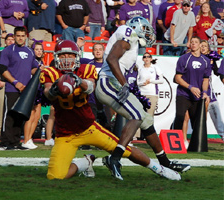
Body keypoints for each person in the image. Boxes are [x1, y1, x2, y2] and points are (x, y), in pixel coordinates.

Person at [40, 39, 181, 181]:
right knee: (55, 176)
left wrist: (78, 81)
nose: (66, 59)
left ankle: (160, 169)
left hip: (88, 128)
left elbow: (90, 86)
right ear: (56, 57)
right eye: (63, 56)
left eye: (69, 55)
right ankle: (85, 163)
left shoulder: (85, 69)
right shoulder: (50, 73)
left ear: (76, 56)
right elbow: (47, 91)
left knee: (125, 150)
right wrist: (56, 88)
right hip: (65, 135)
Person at [95, 16, 190, 180]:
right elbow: (111, 59)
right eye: (145, 29)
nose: (147, 33)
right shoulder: (128, 33)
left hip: (113, 83)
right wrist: (124, 84)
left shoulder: (132, 40)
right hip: (109, 82)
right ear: (135, 27)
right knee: (137, 116)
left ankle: (165, 162)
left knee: (146, 119)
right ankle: (115, 158)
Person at [0, 26, 39, 151]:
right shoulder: (8, 51)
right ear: (14, 37)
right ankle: (5, 143)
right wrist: (15, 82)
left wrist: (40, 71)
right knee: (9, 115)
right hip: (12, 88)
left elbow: (33, 68)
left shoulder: (30, 51)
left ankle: (15, 142)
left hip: (25, 90)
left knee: (19, 116)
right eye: (18, 36)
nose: (20, 38)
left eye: (22, 36)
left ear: (26, 37)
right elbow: (3, 69)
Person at [171, 36, 211, 138]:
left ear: (200, 45)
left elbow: (206, 79)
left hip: (197, 96)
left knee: (196, 122)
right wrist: (190, 87)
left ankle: (195, 145)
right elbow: (177, 78)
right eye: (191, 42)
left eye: (195, 42)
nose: (193, 44)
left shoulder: (206, 61)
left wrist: (205, 92)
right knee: (180, 117)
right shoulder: (184, 58)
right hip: (183, 94)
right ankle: (175, 141)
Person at [22, 42, 46, 149]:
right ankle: (26, 139)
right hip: (32, 90)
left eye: (41, 49)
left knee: (37, 117)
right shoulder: (31, 61)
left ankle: (30, 138)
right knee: (30, 116)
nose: (39, 51)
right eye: (37, 49)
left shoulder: (41, 61)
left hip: (39, 89)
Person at [0, 33, 15, 139]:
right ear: (5, 41)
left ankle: (11, 132)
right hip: (2, 84)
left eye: (12, 39)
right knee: (0, 107)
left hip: (14, 85)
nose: (10, 41)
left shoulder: (17, 54)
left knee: (14, 109)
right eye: (8, 39)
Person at [137, 52, 164, 117]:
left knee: (149, 116)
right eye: (144, 57)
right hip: (142, 94)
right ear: (143, 59)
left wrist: (151, 81)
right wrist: (143, 83)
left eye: (148, 57)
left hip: (152, 94)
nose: (146, 58)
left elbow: (161, 80)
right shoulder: (140, 69)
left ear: (151, 59)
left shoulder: (155, 68)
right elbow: (137, 82)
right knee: (140, 115)